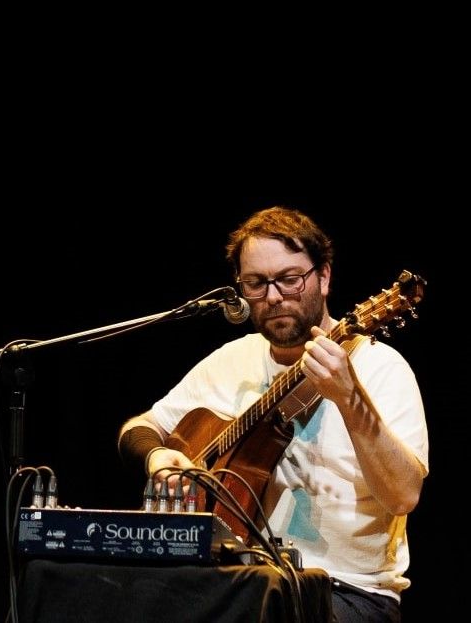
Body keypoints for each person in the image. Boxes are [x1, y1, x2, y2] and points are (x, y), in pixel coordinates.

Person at [116, 207, 428, 623]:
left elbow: (403, 495)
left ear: (324, 276)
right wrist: (156, 457)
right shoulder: (232, 360)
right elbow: (139, 428)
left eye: (289, 278)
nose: (275, 296)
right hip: (232, 578)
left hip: (345, 591)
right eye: (256, 284)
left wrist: (351, 400)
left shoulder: (381, 368)